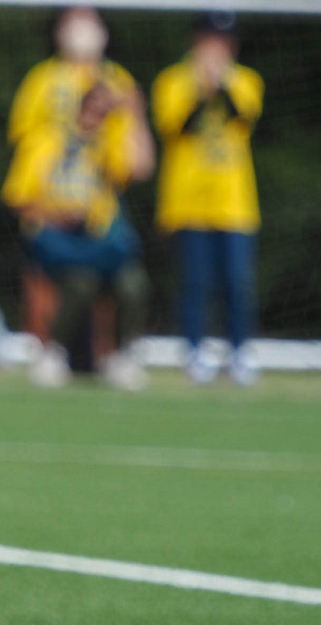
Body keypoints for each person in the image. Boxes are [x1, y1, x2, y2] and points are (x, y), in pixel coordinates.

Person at [2, 82, 155, 388]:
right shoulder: (44, 140)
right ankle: (53, 354)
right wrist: (56, 214)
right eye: (93, 107)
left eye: (104, 111)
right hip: (56, 238)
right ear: (80, 106)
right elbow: (17, 198)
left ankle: (121, 357)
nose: (97, 116)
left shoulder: (109, 141)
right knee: (80, 282)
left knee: (133, 283)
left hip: (99, 240)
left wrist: (134, 115)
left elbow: (140, 169)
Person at [152, 11, 264, 387]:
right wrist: (202, 88)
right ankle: (195, 352)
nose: (216, 49)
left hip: (235, 204)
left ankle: (239, 353)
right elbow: (178, 126)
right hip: (188, 202)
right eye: (209, 41)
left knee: (237, 282)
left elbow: (240, 116)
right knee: (195, 282)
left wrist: (222, 84)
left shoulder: (246, 80)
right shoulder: (172, 80)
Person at [8, 7, 137, 148]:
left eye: (87, 16)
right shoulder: (41, 76)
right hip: (51, 167)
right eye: (75, 17)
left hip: (105, 166)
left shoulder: (117, 78)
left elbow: (133, 136)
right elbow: (20, 131)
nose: (82, 26)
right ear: (60, 27)